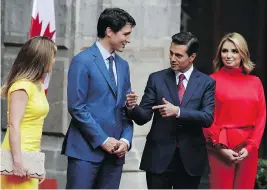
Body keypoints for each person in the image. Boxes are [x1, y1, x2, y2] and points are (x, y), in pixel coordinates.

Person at [126, 32, 216, 189]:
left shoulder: (206, 82)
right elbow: (143, 117)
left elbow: (207, 118)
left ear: (192, 57)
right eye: (171, 53)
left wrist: (178, 111)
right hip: (158, 158)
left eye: (179, 55)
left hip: (190, 159)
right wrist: (132, 107)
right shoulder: (156, 78)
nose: (173, 58)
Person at [61, 8, 136, 189]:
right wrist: (103, 140)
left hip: (115, 155)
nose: (128, 39)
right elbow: (77, 107)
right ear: (109, 31)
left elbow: (126, 108)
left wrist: (126, 140)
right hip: (85, 152)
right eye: (125, 34)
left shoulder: (123, 66)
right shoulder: (82, 61)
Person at [203, 32, 266, 189]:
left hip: (248, 148)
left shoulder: (255, 82)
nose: (228, 55)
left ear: (243, 54)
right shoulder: (211, 81)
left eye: (234, 51)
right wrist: (220, 147)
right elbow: (206, 117)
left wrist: (251, 147)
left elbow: (261, 117)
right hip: (221, 147)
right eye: (224, 51)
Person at [0, 36, 57, 189]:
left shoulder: (37, 85)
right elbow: (13, 124)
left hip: (30, 155)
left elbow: (36, 126)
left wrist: (38, 163)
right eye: (52, 56)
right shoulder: (22, 86)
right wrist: (17, 162)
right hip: (17, 155)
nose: (54, 61)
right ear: (41, 59)